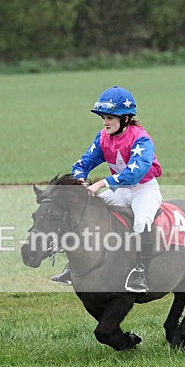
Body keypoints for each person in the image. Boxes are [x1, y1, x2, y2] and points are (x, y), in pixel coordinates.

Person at [51, 86, 163, 293]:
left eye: (110, 117)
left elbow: (135, 173)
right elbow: (82, 164)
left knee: (140, 222)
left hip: (144, 190)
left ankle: (141, 273)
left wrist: (102, 183)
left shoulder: (141, 139)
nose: (105, 122)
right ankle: (73, 266)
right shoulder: (102, 137)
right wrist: (80, 181)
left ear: (126, 119)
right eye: (103, 117)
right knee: (89, 212)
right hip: (120, 189)